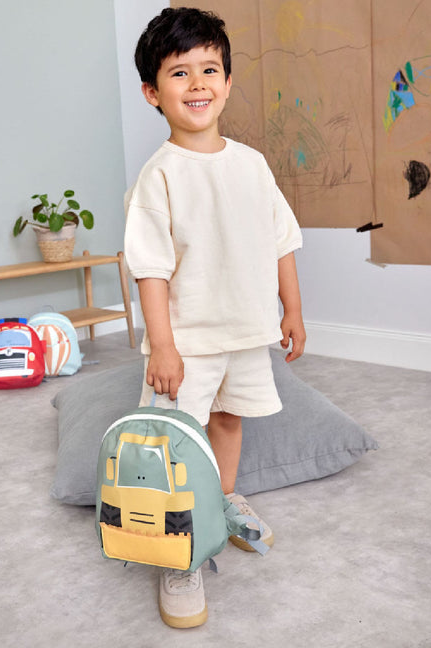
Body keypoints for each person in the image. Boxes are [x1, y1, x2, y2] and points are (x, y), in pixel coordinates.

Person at [124, 6, 306, 629]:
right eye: (179, 73)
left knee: (228, 419)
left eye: (209, 69)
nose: (197, 83)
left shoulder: (252, 164)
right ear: (153, 93)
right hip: (188, 342)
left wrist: (292, 310)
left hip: (246, 331)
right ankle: (178, 551)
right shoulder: (159, 177)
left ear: (227, 83)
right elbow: (151, 268)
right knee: (175, 442)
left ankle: (224, 501)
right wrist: (163, 346)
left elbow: (281, 240)